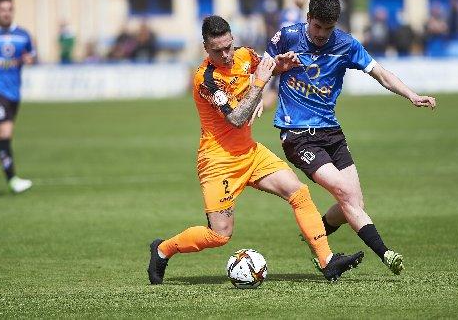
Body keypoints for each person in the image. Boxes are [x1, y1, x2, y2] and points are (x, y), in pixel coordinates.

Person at [147, 15, 364, 285]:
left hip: (250, 153)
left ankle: (327, 261)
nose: (226, 55)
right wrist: (259, 82)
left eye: (229, 46)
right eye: (218, 50)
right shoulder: (206, 80)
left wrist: (280, 66)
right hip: (218, 161)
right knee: (220, 235)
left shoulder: (245, 55)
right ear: (206, 48)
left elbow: (266, 68)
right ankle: (162, 250)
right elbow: (237, 119)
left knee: (298, 193)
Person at [264, 0, 436, 275]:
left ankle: (314, 235)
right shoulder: (287, 37)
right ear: (308, 19)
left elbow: (379, 72)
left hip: (331, 133)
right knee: (344, 193)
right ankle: (386, 254)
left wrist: (411, 95)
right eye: (317, 26)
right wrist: (259, 95)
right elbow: (261, 69)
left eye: (327, 29)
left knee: (353, 204)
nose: (321, 34)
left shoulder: (345, 45)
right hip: (297, 135)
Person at [0, 0, 34, 194]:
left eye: (9, 9)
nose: (6, 13)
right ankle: (12, 180)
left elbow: (32, 54)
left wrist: (28, 59)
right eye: (2, 9)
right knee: (5, 133)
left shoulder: (23, 35)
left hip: (13, 92)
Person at [263, 0, 308, 110]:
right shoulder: (291, 14)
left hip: (293, 60)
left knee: (275, 93)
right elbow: (285, 35)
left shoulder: (300, 14)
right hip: (288, 59)